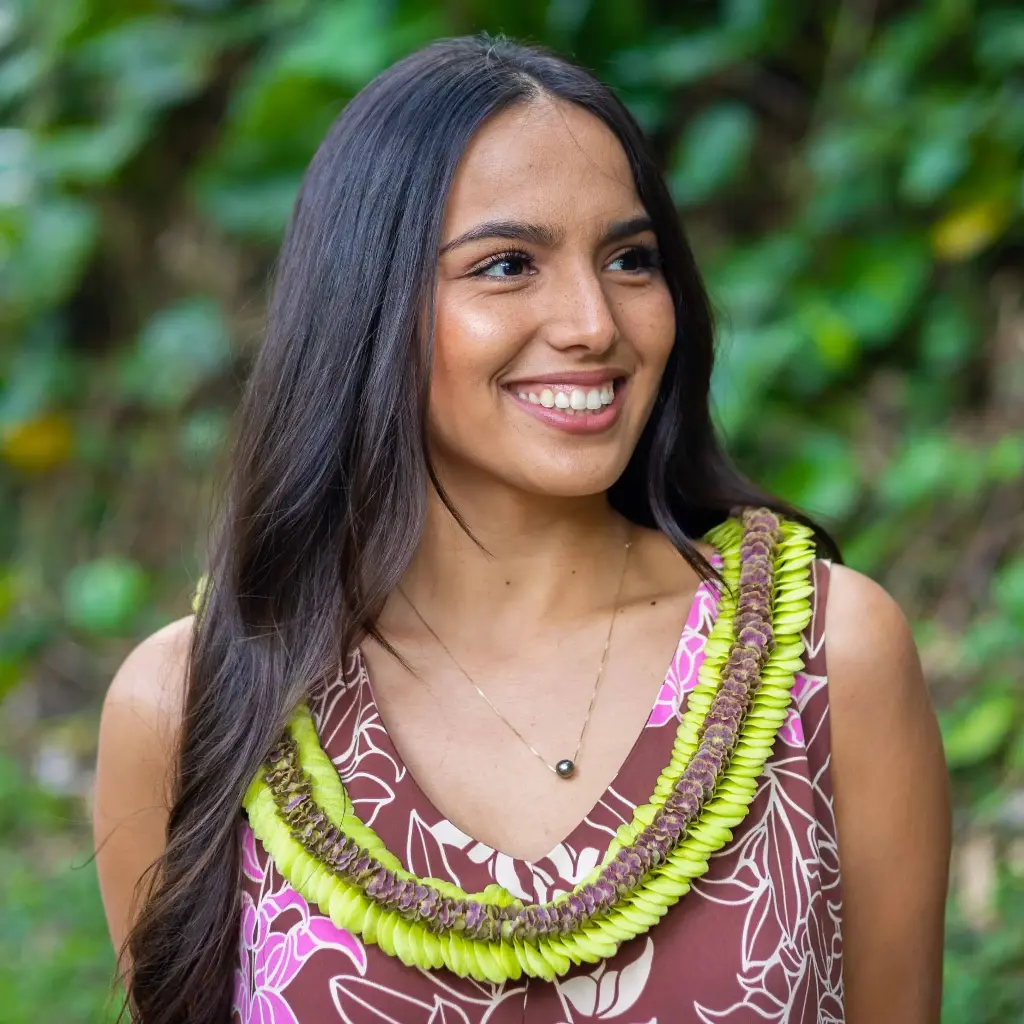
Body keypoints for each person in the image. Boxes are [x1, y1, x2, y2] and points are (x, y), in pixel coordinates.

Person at [92, 35, 950, 1024]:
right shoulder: (200, 698)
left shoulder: (825, 659)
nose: (593, 321)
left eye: (630, 259)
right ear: (365, 303)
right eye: (507, 265)